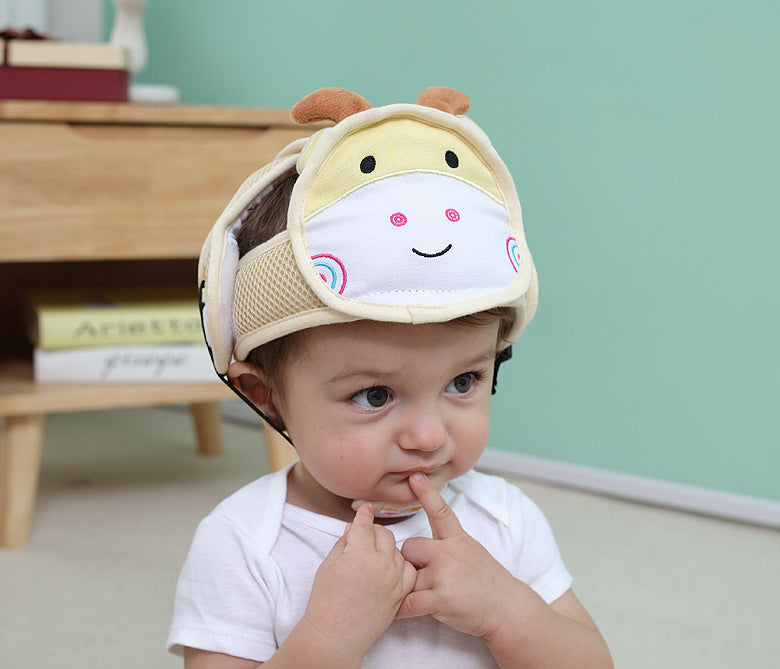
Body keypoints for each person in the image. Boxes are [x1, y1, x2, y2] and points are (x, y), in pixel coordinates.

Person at [167, 86, 613, 668]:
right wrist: (330, 635)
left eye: (463, 383)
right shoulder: (244, 545)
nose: (428, 436)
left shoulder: (503, 521)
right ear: (263, 396)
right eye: (374, 395)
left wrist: (506, 609)